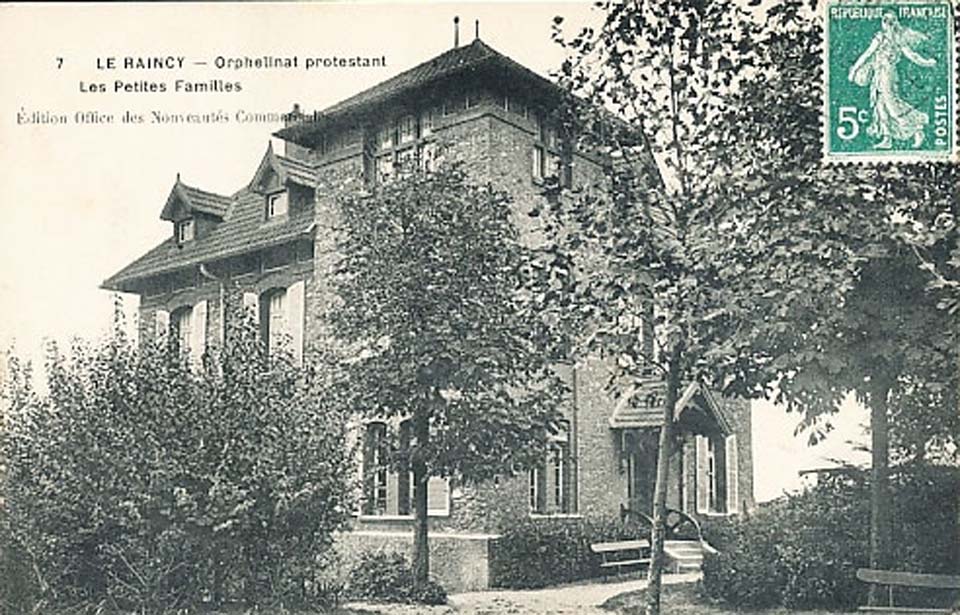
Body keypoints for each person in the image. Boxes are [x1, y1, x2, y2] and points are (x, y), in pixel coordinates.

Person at [848, 11, 937, 149]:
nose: (887, 24)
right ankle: (887, 138)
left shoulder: (898, 39)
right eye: (884, 21)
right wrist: (854, 69)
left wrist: (927, 63)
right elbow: (867, 55)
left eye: (890, 21)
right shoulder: (880, 37)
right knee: (880, 106)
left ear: (895, 23)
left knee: (891, 104)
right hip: (878, 75)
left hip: (888, 75)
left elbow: (912, 56)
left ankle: (916, 129)